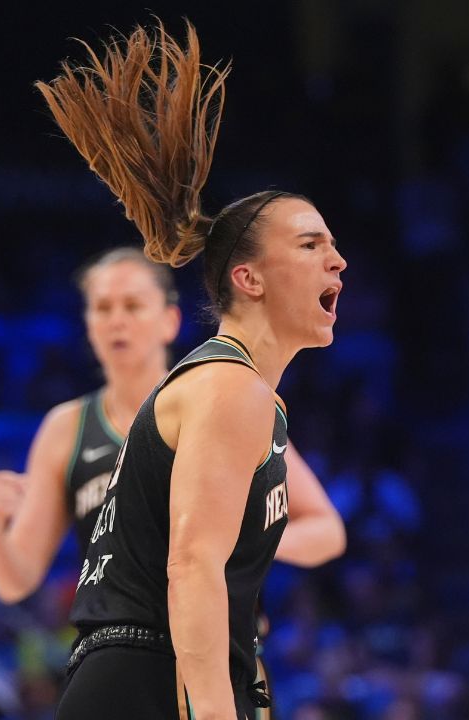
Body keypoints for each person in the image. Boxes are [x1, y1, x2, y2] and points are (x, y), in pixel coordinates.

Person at [32, 19, 348, 720]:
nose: (338, 259)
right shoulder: (228, 387)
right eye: (310, 245)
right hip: (145, 677)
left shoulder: (248, 395)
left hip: (155, 673)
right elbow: (192, 563)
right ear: (249, 278)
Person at [0, 248, 344, 605]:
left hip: (219, 636)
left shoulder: (221, 404)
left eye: (133, 306)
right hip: (112, 639)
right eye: (103, 308)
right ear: (89, 325)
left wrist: (247, 542)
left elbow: (326, 530)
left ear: (170, 321)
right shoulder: (66, 428)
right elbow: (16, 581)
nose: (117, 321)